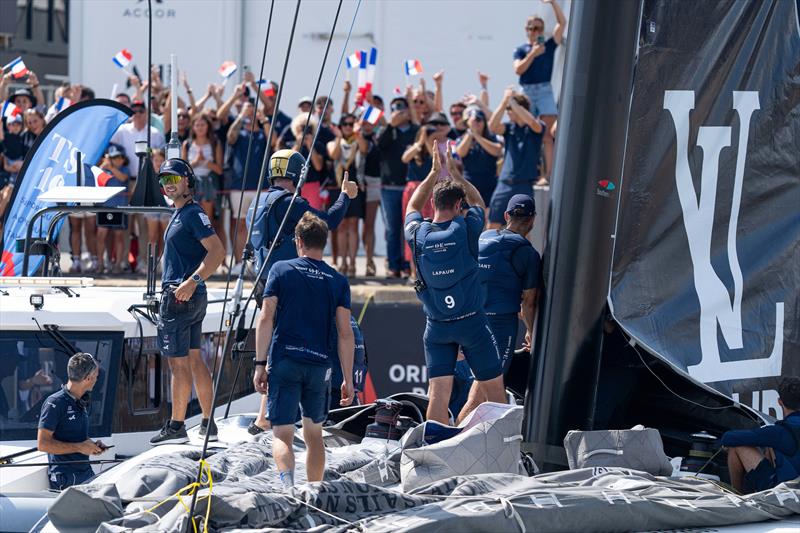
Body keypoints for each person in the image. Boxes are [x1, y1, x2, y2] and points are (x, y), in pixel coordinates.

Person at [246, 150, 357, 433]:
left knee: (275, 345)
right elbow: (325, 223)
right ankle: (271, 418)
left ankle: (264, 417)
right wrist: (345, 196)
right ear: (298, 174)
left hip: (264, 281)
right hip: (291, 284)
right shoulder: (289, 203)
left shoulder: (255, 204)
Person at [404, 141, 505, 425]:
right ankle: (500, 449)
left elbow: (412, 204)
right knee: (495, 392)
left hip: (437, 327)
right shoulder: (467, 228)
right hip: (472, 323)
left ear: (433, 204)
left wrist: (434, 172)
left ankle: (435, 453)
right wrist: (456, 174)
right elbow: (480, 205)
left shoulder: (417, 234)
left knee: (438, 396)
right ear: (459, 205)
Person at [253, 212, 355, 488]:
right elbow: (345, 333)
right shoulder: (337, 280)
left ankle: (288, 489)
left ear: (298, 241)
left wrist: (259, 363)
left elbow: (265, 317)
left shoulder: (281, 269)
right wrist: (348, 377)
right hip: (319, 365)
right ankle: (314, 494)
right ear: (325, 243)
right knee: (314, 435)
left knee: (282, 434)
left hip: (285, 359)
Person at [150, 158, 226, 445]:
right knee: (195, 360)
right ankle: (208, 422)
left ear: (187, 181)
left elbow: (217, 252)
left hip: (181, 296)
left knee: (178, 365)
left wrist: (191, 281)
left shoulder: (192, 214)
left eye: (173, 179)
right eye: (163, 181)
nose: (167, 185)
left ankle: (176, 426)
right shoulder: (185, 213)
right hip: (191, 296)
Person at [478, 194, 541, 368]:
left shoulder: (483, 237)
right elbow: (528, 303)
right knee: (492, 382)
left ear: (506, 216)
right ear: (532, 219)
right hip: (500, 324)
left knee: (473, 381)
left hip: (469, 319)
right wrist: (532, 332)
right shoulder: (529, 254)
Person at [513, 0, 566, 185]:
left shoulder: (549, 46)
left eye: (538, 28)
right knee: (524, 132)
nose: (535, 32)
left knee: (547, 135)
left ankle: (547, 174)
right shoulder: (521, 50)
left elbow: (562, 24)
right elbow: (518, 69)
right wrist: (532, 54)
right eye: (532, 28)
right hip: (526, 91)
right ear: (527, 30)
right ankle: (527, 172)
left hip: (544, 89)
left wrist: (552, 3)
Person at [37, 352, 108, 490]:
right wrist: (80, 447)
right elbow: (43, 444)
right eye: (96, 377)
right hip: (66, 478)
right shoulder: (55, 403)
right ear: (88, 378)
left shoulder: (80, 400)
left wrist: (91, 445)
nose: (96, 380)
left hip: (85, 473)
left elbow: (73, 435)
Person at [722, 377, 800, 494]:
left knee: (737, 446)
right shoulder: (778, 432)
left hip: (785, 493)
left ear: (780, 402)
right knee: (771, 446)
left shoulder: (778, 431)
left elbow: (728, 437)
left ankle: (736, 496)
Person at [488, 88, 544, 230]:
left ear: (520, 109)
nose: (508, 112)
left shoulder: (537, 126)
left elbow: (532, 123)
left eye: (510, 109)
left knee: (522, 228)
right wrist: (505, 101)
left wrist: (512, 101)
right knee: (493, 225)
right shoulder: (509, 128)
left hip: (524, 184)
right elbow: (492, 126)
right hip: (504, 184)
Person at [378, 97, 418, 278]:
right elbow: (379, 145)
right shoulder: (387, 130)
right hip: (390, 187)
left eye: (401, 109)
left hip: (411, 186)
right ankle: (394, 265)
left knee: (410, 227)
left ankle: (408, 265)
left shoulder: (417, 131)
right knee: (392, 229)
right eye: (394, 109)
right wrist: (390, 125)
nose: (398, 112)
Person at [328, 113, 363, 277]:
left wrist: (357, 133)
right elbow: (334, 155)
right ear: (340, 127)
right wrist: (338, 138)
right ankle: (342, 262)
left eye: (351, 124)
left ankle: (353, 262)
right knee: (341, 226)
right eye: (345, 124)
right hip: (337, 187)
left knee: (353, 225)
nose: (348, 127)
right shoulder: (333, 142)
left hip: (355, 186)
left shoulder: (358, 141)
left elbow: (365, 149)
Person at [456, 106, 503, 211]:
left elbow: (497, 150)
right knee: (468, 218)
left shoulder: (492, 138)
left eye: (479, 120)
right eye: (473, 121)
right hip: (469, 185)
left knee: (487, 219)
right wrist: (470, 133)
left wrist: (477, 136)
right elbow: (461, 153)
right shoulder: (462, 138)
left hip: (489, 185)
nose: (476, 123)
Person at [95, 144, 131, 274]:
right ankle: (100, 264)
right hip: (104, 207)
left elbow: (123, 178)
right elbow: (96, 179)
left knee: (119, 237)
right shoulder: (104, 169)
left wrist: (110, 167)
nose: (118, 160)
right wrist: (102, 167)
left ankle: (118, 264)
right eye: (114, 158)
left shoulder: (125, 169)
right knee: (100, 236)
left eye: (119, 157)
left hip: (119, 207)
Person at [356, 115, 382, 277]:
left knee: (391, 227)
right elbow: (364, 149)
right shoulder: (360, 136)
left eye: (371, 121)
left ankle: (392, 261)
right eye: (364, 121)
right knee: (368, 225)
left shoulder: (381, 134)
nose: (368, 124)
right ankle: (369, 260)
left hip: (385, 182)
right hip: (368, 182)